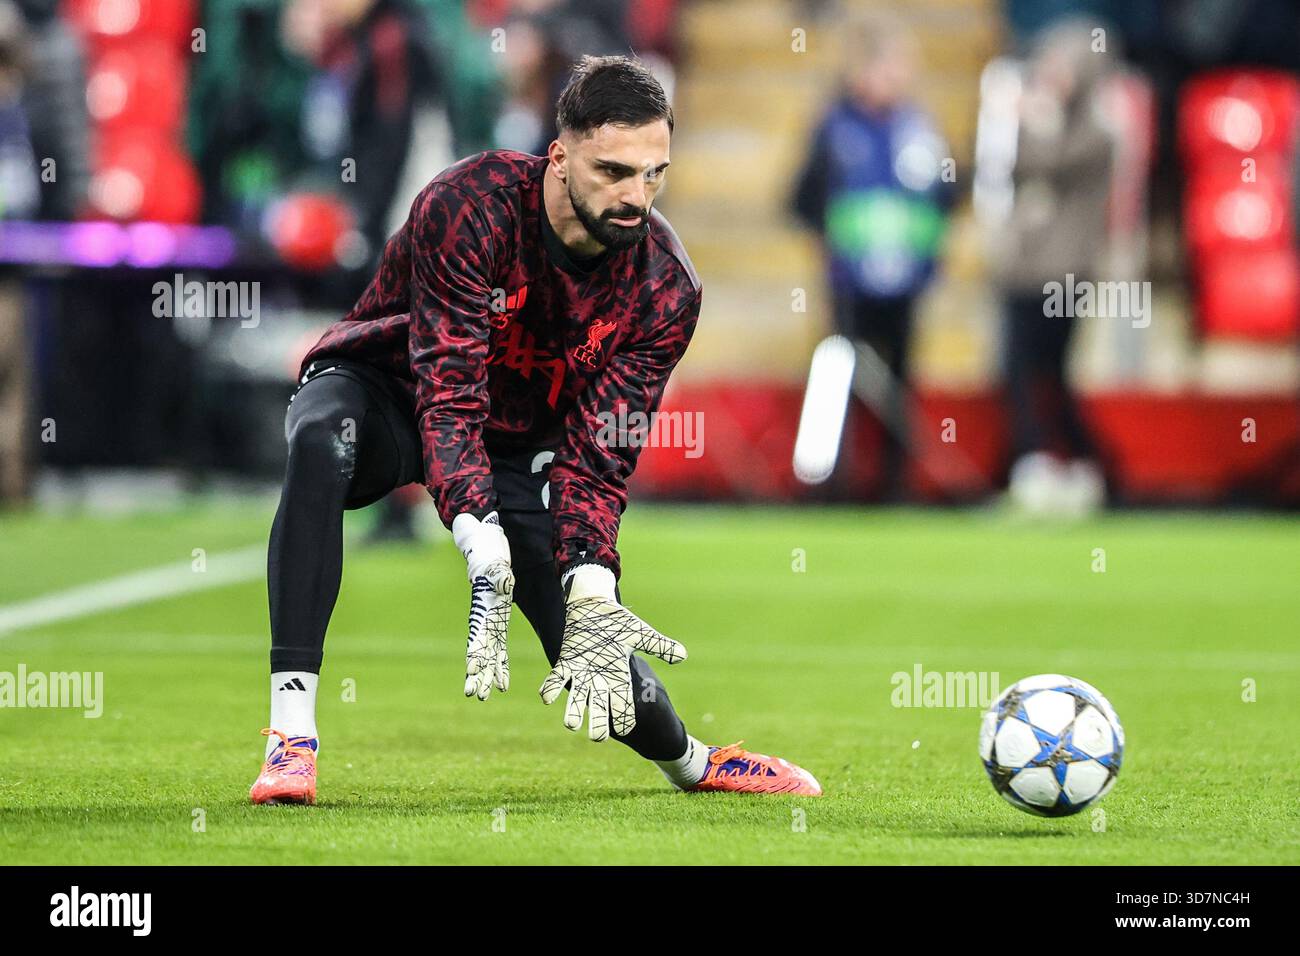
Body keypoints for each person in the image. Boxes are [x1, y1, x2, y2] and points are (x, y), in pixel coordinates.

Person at [249, 55, 822, 804]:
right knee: (323, 434)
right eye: (613, 171)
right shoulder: (470, 205)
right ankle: (292, 736)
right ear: (558, 157)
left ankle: (694, 761)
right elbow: (447, 390)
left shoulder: (665, 288)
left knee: (595, 651)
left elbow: (599, 457)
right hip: (390, 391)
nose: (635, 196)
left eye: (653, 174)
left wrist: (592, 580)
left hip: (515, 446)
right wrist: (478, 537)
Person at [792, 13, 951, 500]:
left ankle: (894, 482)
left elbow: (947, 193)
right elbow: (801, 198)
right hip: (849, 279)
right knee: (840, 374)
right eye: (889, 66)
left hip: (906, 278)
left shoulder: (918, 130)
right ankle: (830, 480)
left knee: (897, 380)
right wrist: (832, 240)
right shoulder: (834, 127)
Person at [996, 21, 1114, 515]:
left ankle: (1085, 465)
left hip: (1066, 274)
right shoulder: (1041, 125)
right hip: (1024, 272)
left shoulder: (1097, 134)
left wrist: (1037, 119)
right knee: (1018, 371)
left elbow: (1049, 165)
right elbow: (1012, 170)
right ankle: (1037, 462)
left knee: (1050, 373)